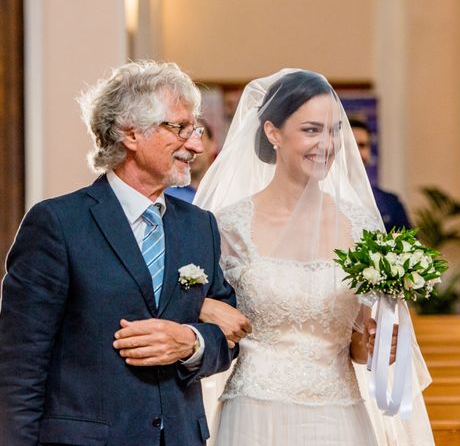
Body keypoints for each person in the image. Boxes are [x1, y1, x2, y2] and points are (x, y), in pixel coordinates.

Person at [0, 61, 237, 446]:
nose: (195, 145)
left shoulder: (200, 226)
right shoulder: (58, 223)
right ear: (130, 133)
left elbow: (227, 338)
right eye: (179, 128)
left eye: (194, 130)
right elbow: (20, 366)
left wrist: (192, 343)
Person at [194, 69, 433, 445]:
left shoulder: (360, 226)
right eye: (311, 130)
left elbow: (358, 346)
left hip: (337, 413)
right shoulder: (228, 225)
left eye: (334, 130)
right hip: (255, 413)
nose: (327, 143)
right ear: (273, 132)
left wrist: (376, 345)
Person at [350, 117, 412, 231]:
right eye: (350, 145)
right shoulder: (322, 200)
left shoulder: (391, 203)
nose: (357, 153)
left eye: (362, 145)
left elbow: (410, 244)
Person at [166, 117, 218, 203]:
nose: (191, 147)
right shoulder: (166, 195)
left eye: (199, 137)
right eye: (184, 139)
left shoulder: (226, 188)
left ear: (213, 145)